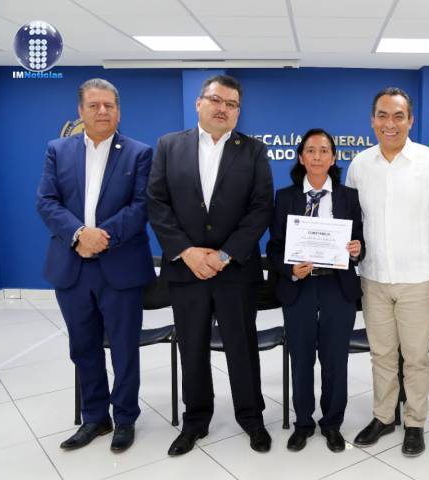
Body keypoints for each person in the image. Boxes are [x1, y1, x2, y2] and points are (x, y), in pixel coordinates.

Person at [147, 74, 274, 456]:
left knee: (242, 346)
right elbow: (157, 203)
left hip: (235, 271)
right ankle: (195, 420)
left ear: (238, 112)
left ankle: (251, 418)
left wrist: (223, 254)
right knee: (192, 347)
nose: (223, 109)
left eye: (232, 104)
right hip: (186, 270)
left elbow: (260, 208)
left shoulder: (253, 150)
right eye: (217, 100)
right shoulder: (169, 146)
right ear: (199, 103)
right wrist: (186, 252)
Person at [36, 78, 155, 453]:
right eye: (94, 105)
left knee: (124, 348)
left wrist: (101, 237)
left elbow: (141, 206)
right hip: (71, 266)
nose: (102, 111)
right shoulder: (58, 150)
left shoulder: (139, 153)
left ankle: (125, 418)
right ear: (80, 111)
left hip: (120, 266)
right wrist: (78, 235)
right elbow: (46, 202)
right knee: (83, 347)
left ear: (118, 110)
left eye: (109, 105)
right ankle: (94, 418)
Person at [346, 87, 429, 457]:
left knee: (415, 358)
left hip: (420, 280)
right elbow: (351, 221)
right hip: (374, 278)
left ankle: (414, 422)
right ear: (372, 120)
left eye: (398, 116)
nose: (390, 123)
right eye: (382, 115)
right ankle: (384, 417)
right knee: (381, 355)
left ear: (410, 120)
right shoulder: (360, 165)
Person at [266, 128, 364, 453]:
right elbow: (274, 247)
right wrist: (289, 269)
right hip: (300, 287)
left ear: (333, 158)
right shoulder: (285, 197)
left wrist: (356, 250)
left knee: (335, 360)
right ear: (301, 157)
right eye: (311, 150)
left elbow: (361, 243)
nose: (318, 156)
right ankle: (304, 423)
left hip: (338, 287)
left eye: (324, 151)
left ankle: (332, 423)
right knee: (302, 358)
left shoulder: (349, 197)